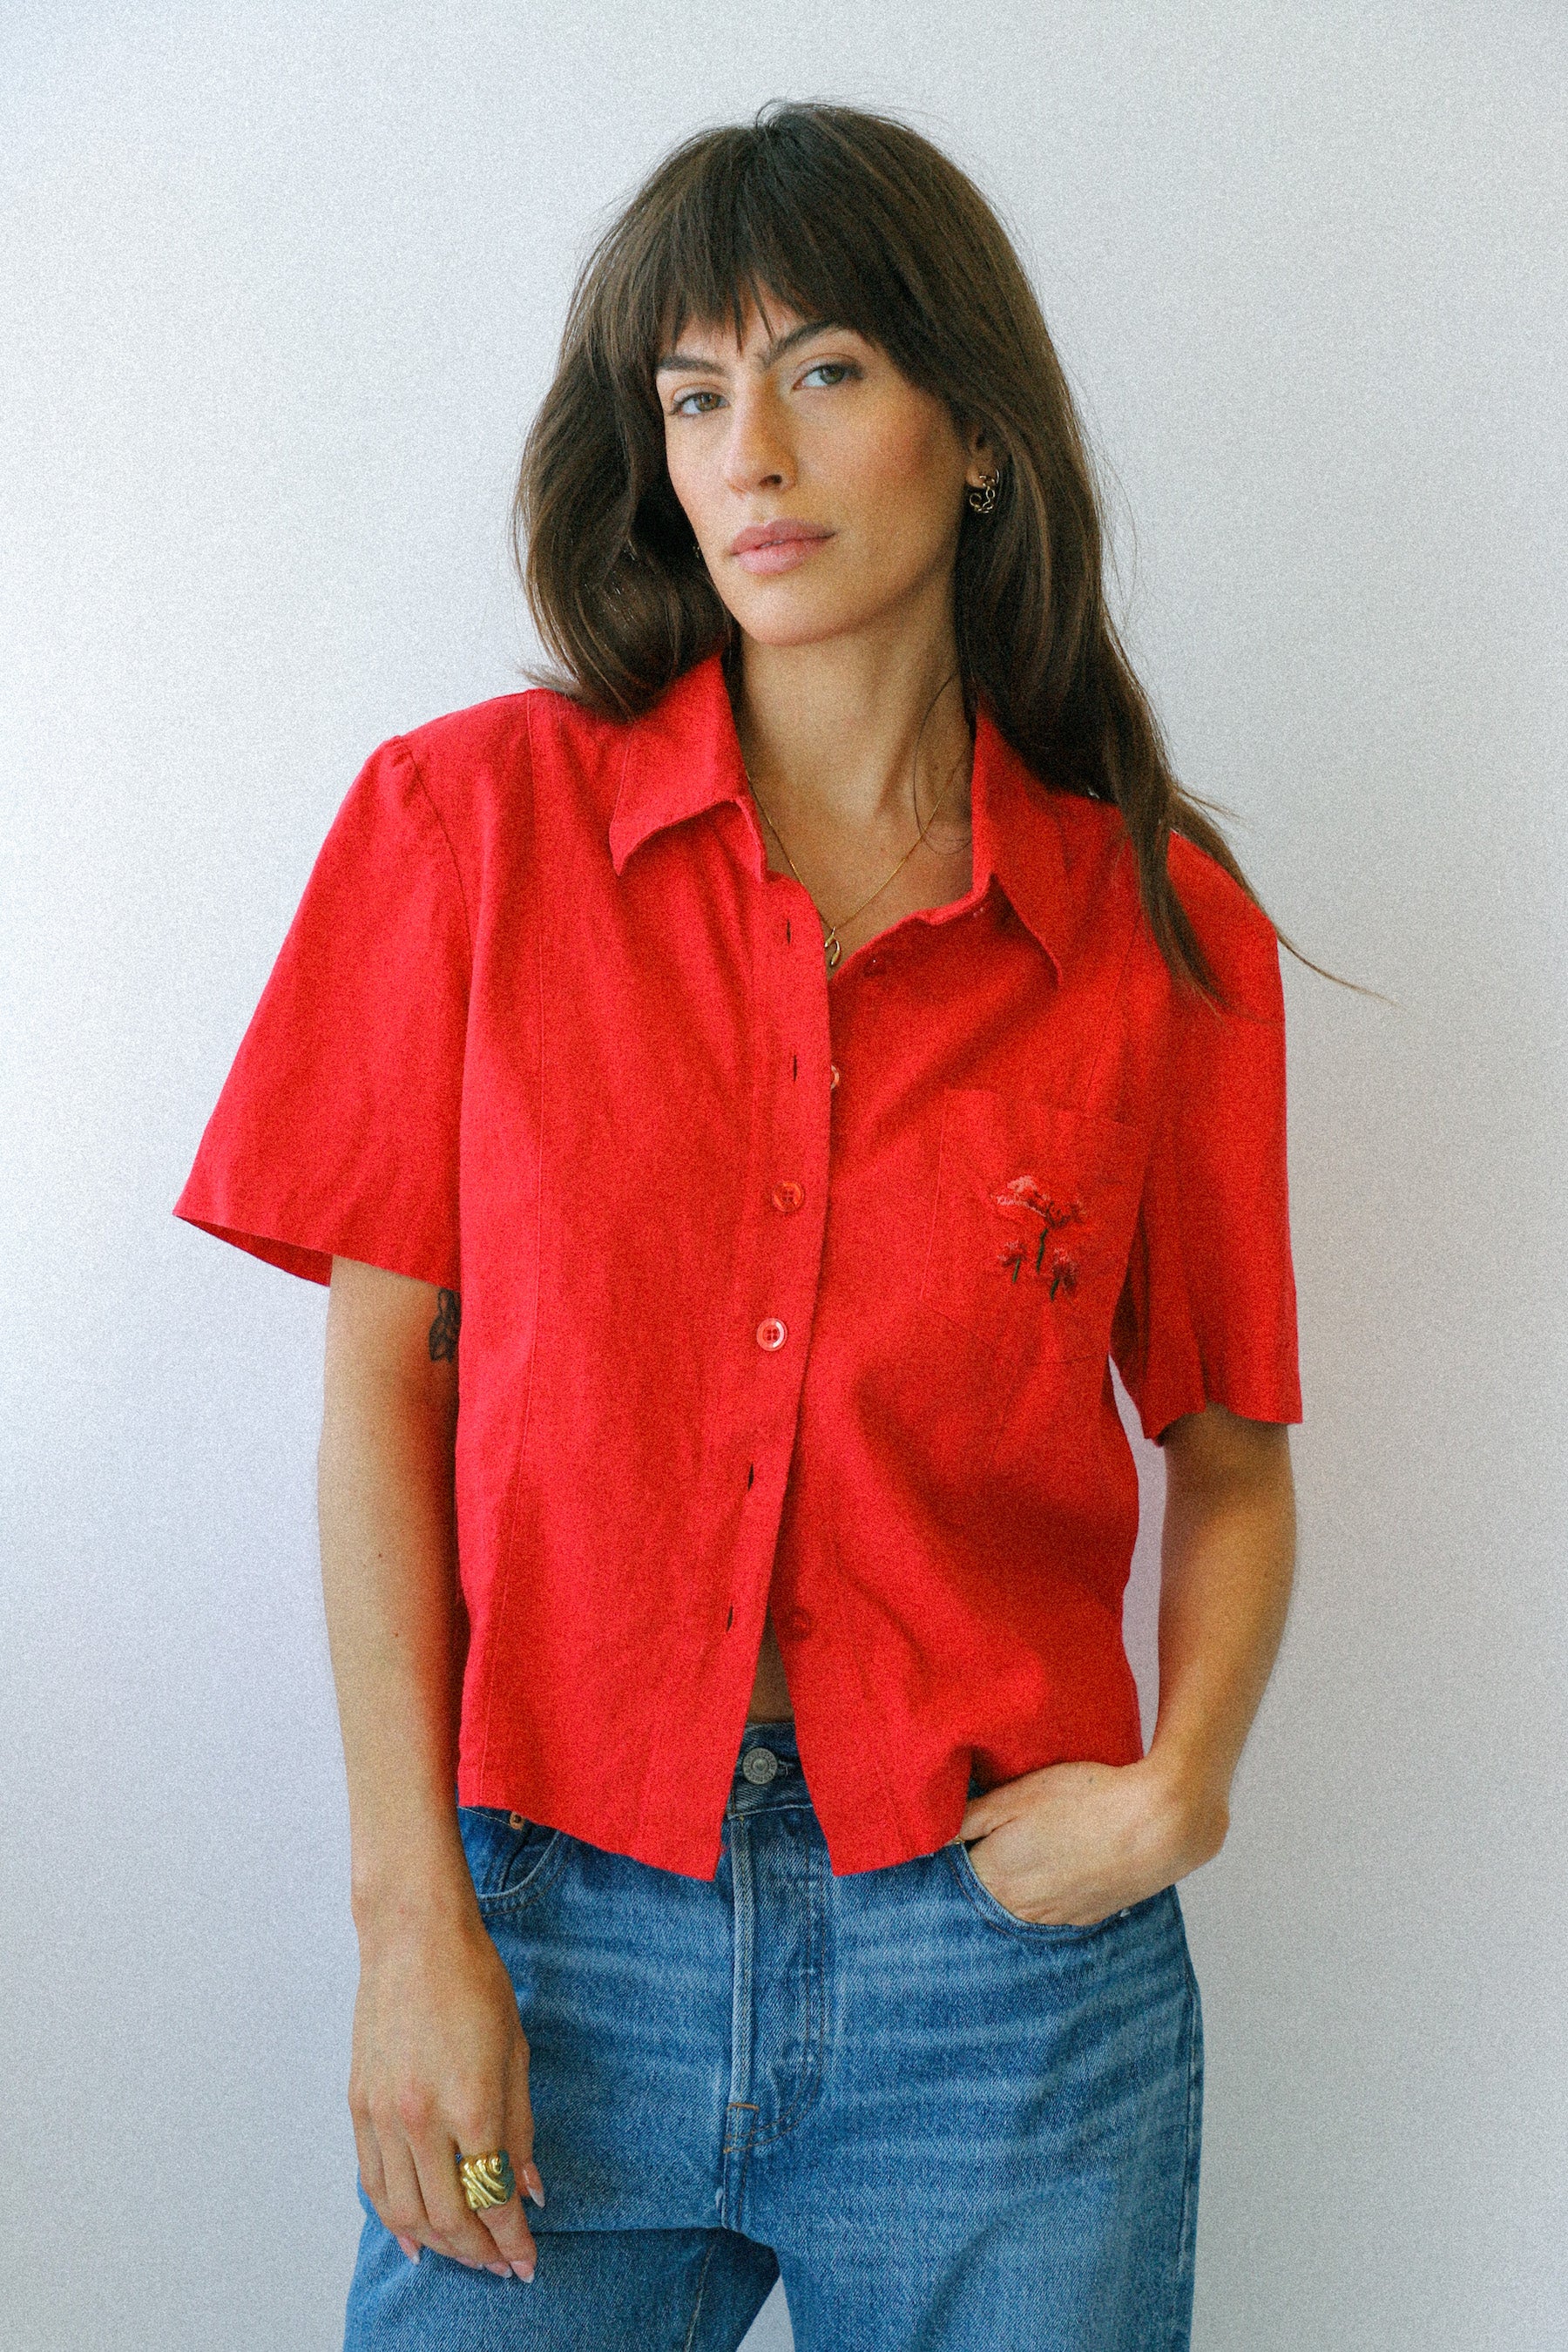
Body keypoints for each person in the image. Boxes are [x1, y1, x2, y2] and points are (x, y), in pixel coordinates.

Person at [175, 100, 1306, 2352]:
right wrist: (415, 1923)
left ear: (975, 431)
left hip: (999, 1972)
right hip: (551, 1926)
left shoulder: (1155, 924)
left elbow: (1236, 1443)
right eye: (693, 395)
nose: (749, 454)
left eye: (821, 371)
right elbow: (380, 1415)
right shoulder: (463, 831)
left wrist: (1184, 1782)